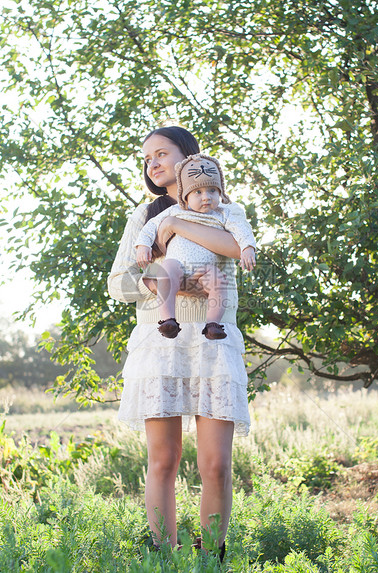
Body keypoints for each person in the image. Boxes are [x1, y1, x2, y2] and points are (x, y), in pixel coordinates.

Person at [107, 126, 251, 560]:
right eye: (146, 157)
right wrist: (167, 285)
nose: (152, 163)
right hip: (161, 342)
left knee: (216, 465)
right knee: (164, 461)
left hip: (213, 342)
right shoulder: (144, 215)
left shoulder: (222, 205)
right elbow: (119, 283)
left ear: (189, 156)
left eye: (161, 153)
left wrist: (174, 222)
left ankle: (212, 561)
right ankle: (161, 558)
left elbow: (231, 246)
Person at [134, 153, 257, 341]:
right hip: (178, 265)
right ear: (186, 196)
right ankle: (168, 319)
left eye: (212, 191)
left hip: (205, 270)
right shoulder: (175, 211)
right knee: (167, 269)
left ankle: (213, 324)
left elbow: (242, 230)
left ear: (221, 192)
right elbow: (151, 226)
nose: (206, 197)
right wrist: (143, 245)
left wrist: (248, 247)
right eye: (198, 192)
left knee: (219, 279)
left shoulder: (224, 214)